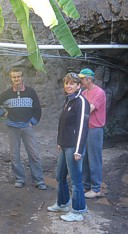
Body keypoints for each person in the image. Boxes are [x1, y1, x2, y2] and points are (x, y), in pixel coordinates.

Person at [0, 67, 47, 190]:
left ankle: (38, 180)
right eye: (14, 77)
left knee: (34, 154)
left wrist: (33, 122)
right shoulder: (7, 93)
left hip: (27, 127)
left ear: (22, 77)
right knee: (15, 155)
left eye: (18, 76)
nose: (16, 79)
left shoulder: (31, 92)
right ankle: (19, 179)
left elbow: (37, 109)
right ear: (11, 79)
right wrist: (3, 113)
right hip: (12, 127)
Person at [47, 73, 90, 222]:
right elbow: (63, 124)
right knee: (60, 176)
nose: (68, 86)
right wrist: (60, 141)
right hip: (65, 145)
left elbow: (82, 128)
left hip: (73, 147)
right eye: (66, 83)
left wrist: (78, 150)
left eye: (72, 83)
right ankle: (63, 203)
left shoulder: (81, 102)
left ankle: (78, 211)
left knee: (76, 180)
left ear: (79, 85)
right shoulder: (69, 100)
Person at [78, 68, 107, 199]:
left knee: (94, 158)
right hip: (85, 128)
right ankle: (85, 185)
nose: (80, 81)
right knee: (84, 158)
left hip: (95, 129)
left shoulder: (99, 93)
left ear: (89, 79)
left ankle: (95, 188)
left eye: (82, 79)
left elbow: (88, 109)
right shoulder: (84, 92)